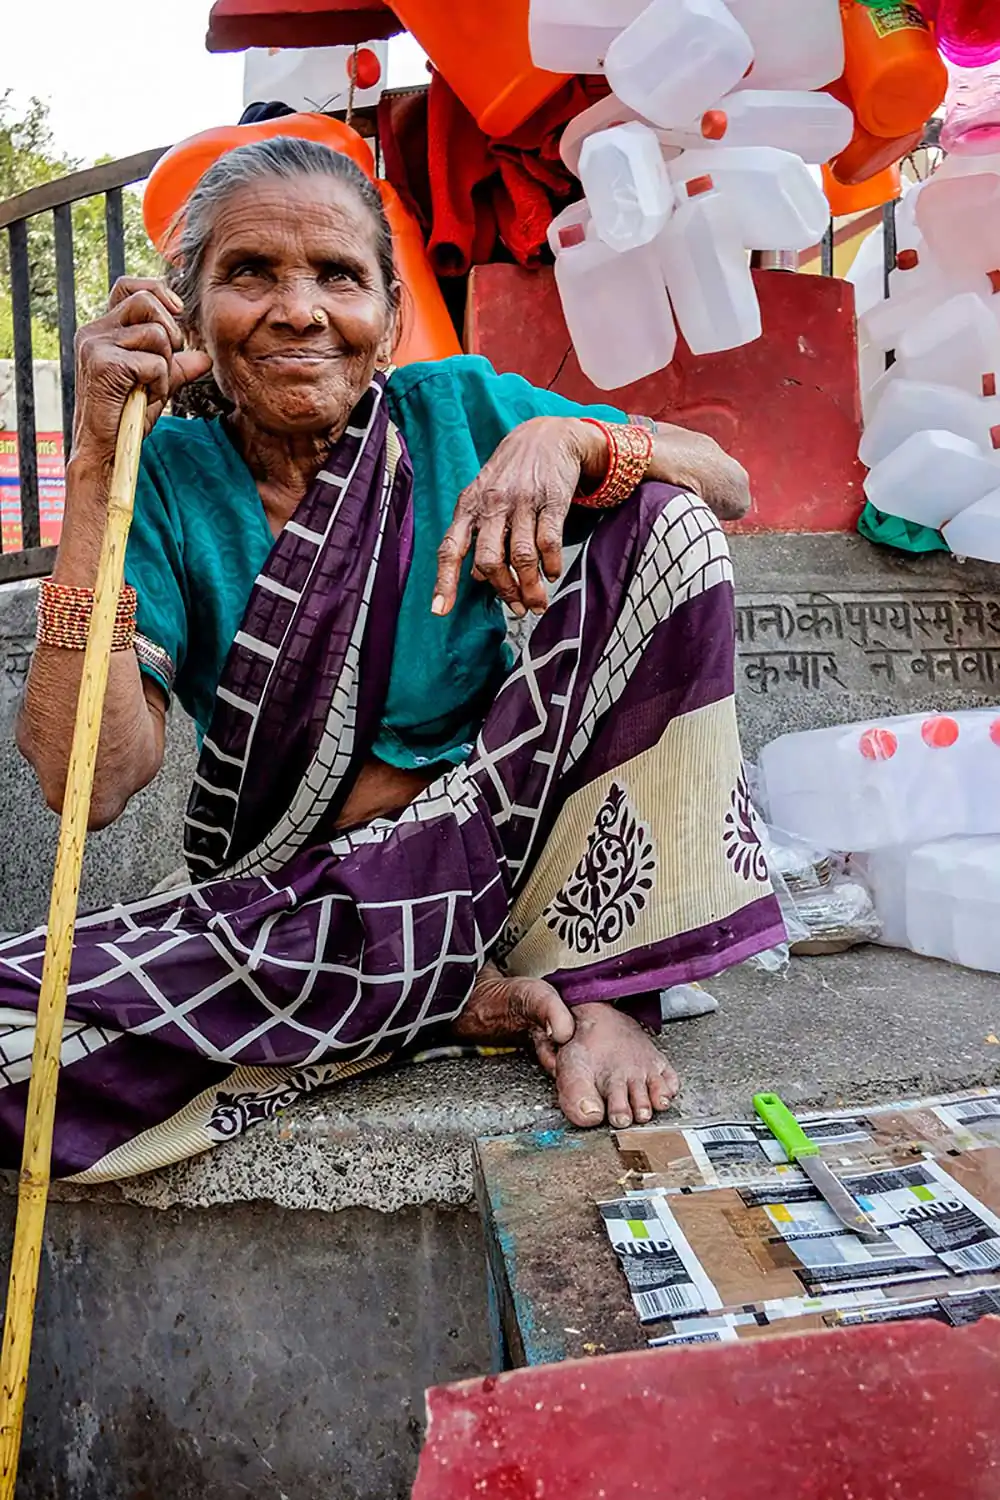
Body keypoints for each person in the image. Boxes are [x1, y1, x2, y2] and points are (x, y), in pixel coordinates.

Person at [4, 136, 783, 1183]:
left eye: (337, 275)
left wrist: (573, 444)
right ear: (188, 313)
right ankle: (437, 1000)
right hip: (309, 915)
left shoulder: (458, 410)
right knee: (15, 1039)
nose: (298, 309)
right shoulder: (166, 476)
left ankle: (603, 975)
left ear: (388, 321)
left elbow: (726, 479)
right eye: (249, 274)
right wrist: (97, 465)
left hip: (521, 878)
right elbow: (83, 782)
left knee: (664, 517)